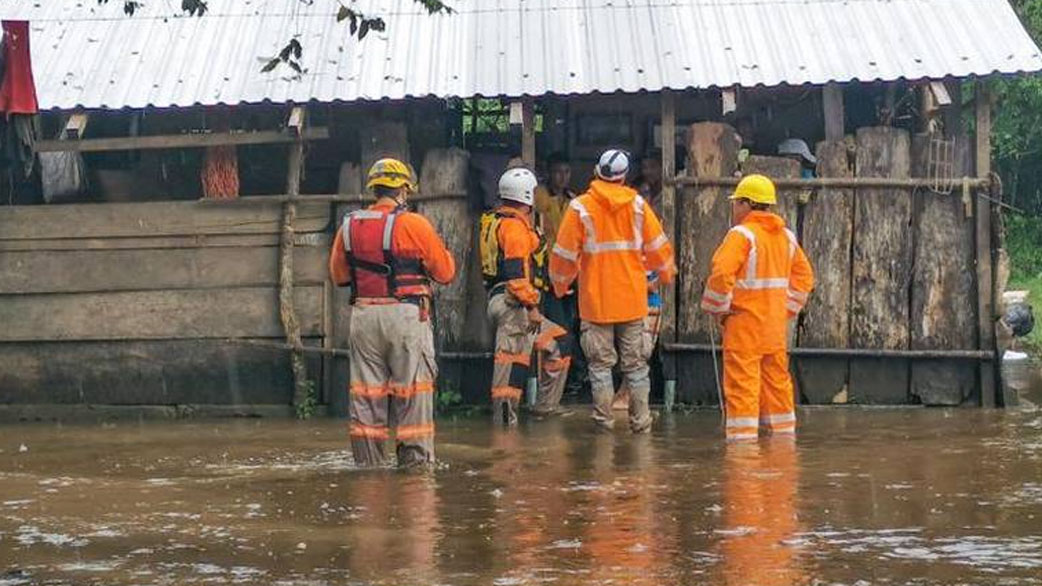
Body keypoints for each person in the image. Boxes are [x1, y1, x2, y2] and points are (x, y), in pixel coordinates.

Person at [329, 158, 456, 467]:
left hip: (364, 318)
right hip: (405, 317)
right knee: (413, 394)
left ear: (374, 189)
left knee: (366, 397)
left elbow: (339, 277)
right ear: (403, 189)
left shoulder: (348, 226)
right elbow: (446, 272)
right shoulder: (415, 224)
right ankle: (415, 474)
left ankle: (368, 470)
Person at [549, 149, 676, 433]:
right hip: (632, 301)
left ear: (597, 172)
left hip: (596, 303)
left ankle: (603, 425)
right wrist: (666, 274)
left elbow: (564, 255)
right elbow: (659, 249)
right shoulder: (640, 207)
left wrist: (559, 285)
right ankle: (641, 424)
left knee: (600, 365)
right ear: (624, 176)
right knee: (636, 365)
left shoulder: (579, 208)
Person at [700, 174, 814, 442]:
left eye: (736, 202)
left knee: (742, 385)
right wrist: (786, 310)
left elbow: (720, 275)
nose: (733, 208)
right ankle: (784, 446)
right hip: (773, 328)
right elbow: (805, 278)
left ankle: (743, 452)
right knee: (777, 384)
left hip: (743, 325)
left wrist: (718, 309)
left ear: (746, 204)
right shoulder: (786, 237)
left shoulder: (742, 235)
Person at [480, 167, 573, 424]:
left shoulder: (497, 220)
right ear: (526, 196)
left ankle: (545, 408)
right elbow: (516, 276)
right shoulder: (513, 229)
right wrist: (532, 307)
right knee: (510, 370)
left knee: (559, 344)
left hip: (505, 300)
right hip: (514, 305)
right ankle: (504, 432)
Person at [533, 152, 586, 395]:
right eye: (557, 172)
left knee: (573, 323)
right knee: (557, 326)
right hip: (546, 272)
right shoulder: (540, 198)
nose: (562, 177)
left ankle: (572, 376)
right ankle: (555, 382)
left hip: (571, 273)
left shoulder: (574, 201)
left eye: (566, 172)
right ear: (549, 172)